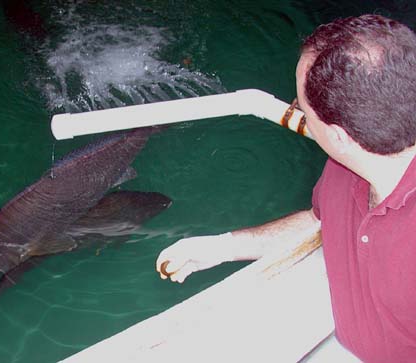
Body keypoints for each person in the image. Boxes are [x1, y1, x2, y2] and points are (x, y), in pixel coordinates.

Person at [156, 14, 416, 363]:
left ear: (340, 136)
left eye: (302, 109)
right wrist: (225, 246)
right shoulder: (347, 165)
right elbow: (319, 220)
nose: (292, 111)